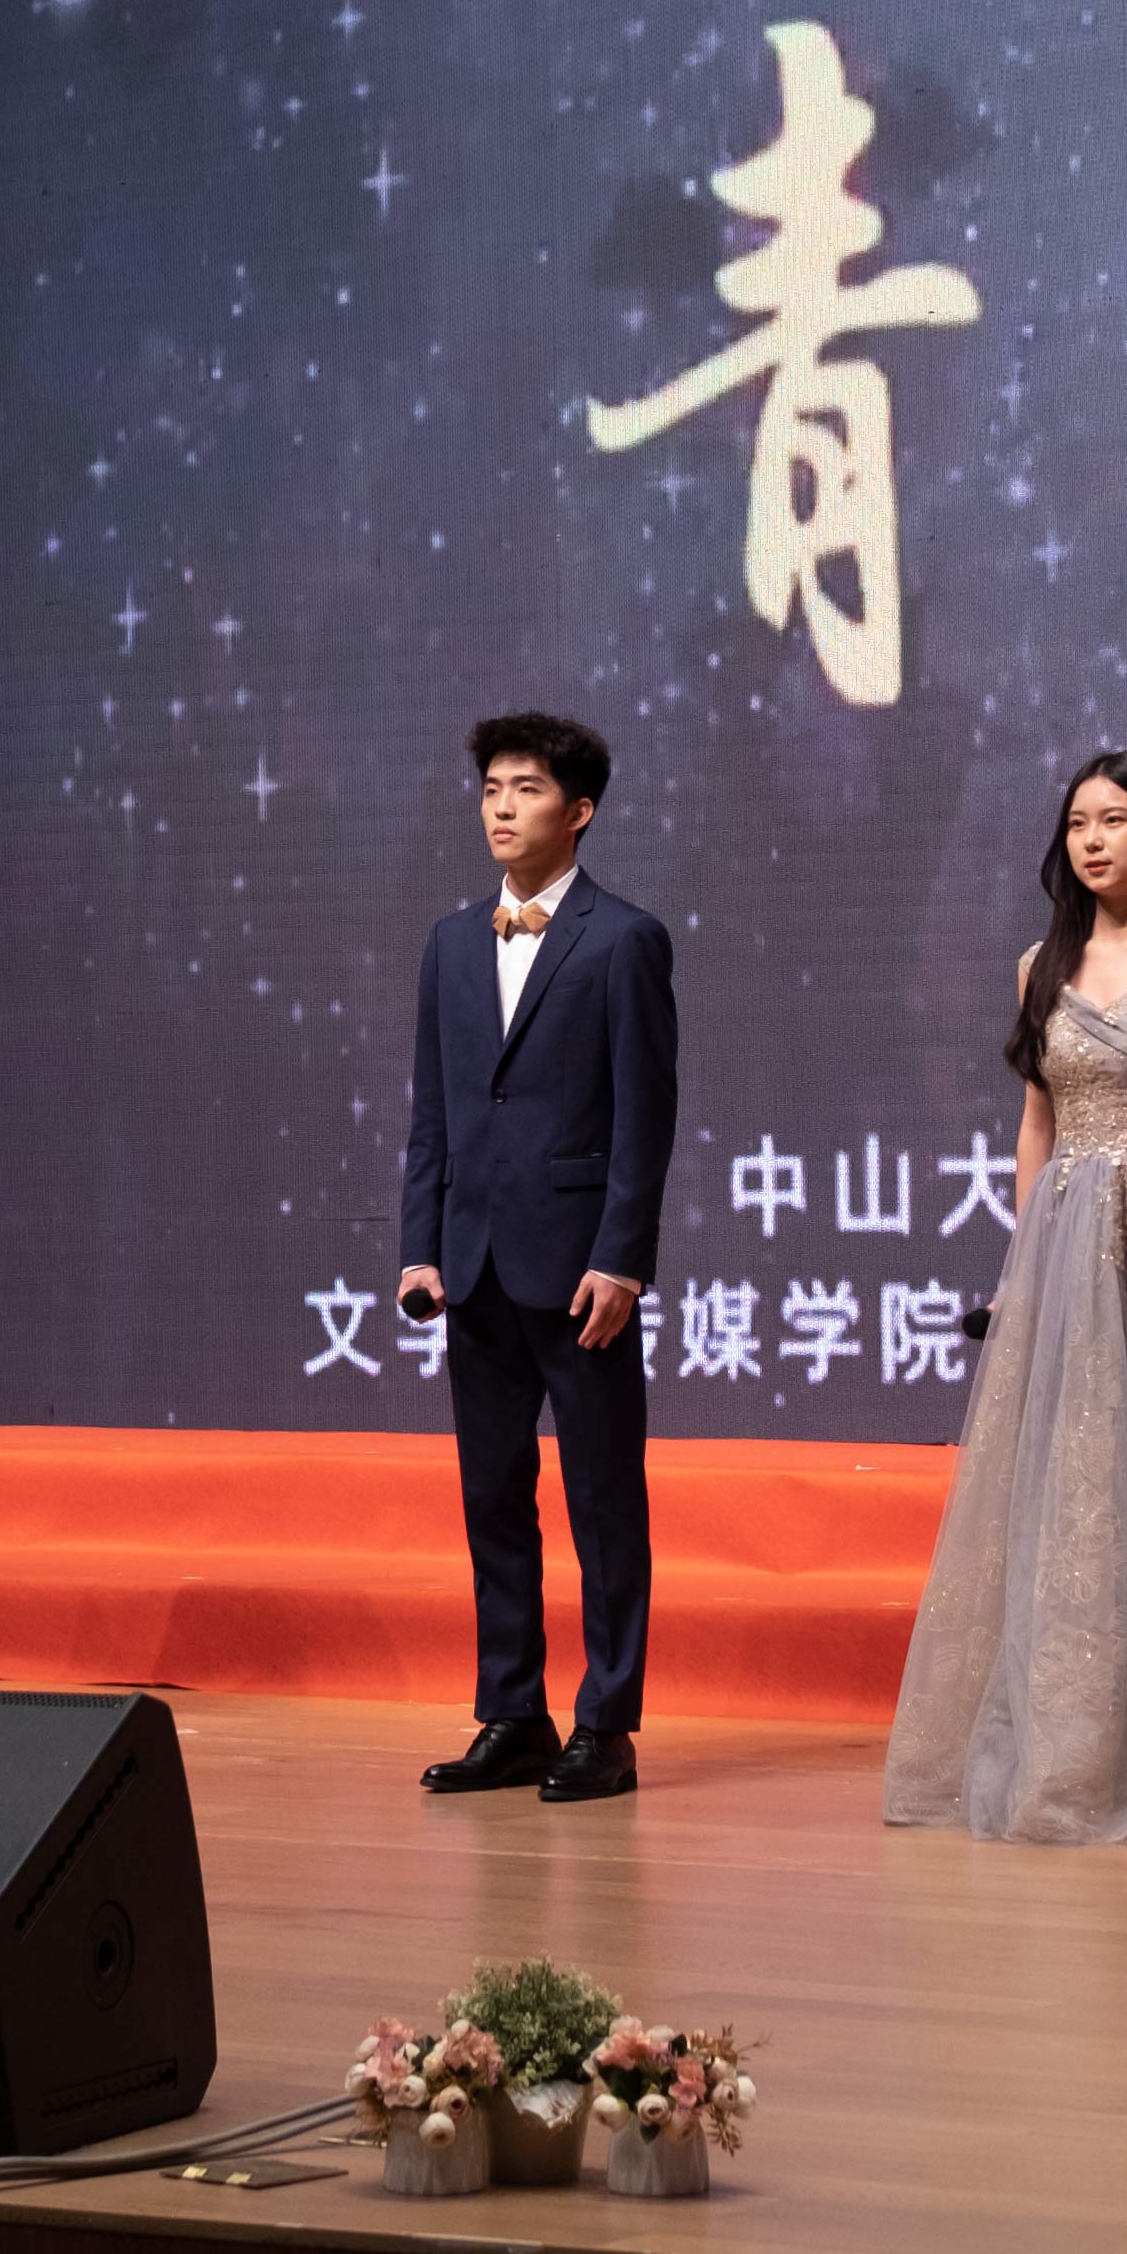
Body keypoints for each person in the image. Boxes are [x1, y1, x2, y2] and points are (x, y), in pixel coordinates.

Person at [884, 747, 1127, 1843]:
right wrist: (1026, 1254)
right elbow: (1035, 1124)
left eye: (1115, 819)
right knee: (1077, 1477)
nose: (1092, 840)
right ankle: (1075, 1747)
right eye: (1078, 823)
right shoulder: (1038, 965)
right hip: (1067, 1239)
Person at [400, 711, 678, 1805]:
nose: (502, 807)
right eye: (490, 789)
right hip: (471, 1264)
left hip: (579, 1272)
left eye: (525, 789)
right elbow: (433, 1113)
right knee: (493, 1498)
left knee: (603, 1498)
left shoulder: (622, 939)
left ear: (580, 811)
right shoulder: (450, 942)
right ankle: (513, 1712)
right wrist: (418, 1246)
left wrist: (623, 1258)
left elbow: (644, 1116)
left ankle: (605, 1723)